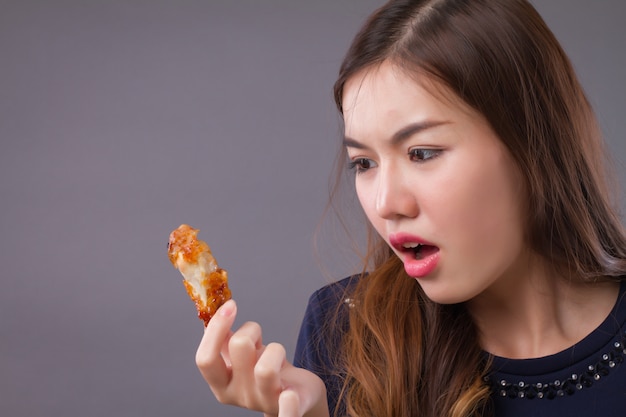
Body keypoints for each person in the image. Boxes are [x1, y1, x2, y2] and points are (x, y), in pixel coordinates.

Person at [194, 0, 626, 416]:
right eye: (363, 163)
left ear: (534, 145)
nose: (385, 204)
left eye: (421, 152)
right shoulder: (344, 337)